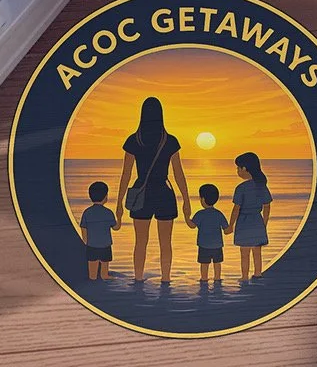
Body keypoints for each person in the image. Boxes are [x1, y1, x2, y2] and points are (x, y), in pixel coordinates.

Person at [114, 95, 191, 284]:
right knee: (166, 243)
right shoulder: (170, 140)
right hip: (164, 193)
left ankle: (138, 279)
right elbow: (179, 174)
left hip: (141, 193)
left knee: (140, 242)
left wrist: (119, 203)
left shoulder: (134, 140)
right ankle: (166, 280)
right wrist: (187, 201)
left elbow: (125, 175)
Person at [228, 153, 271, 282]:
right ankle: (258, 273)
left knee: (244, 252)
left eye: (238, 168)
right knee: (257, 251)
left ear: (245, 169)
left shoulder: (241, 188)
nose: (237, 171)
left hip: (244, 222)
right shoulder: (261, 185)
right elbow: (267, 206)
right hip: (257, 220)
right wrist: (264, 223)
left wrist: (231, 225)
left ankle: (244, 276)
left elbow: (236, 209)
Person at [79, 180, 120, 281]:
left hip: (92, 246)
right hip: (105, 245)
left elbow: (83, 228)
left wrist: (86, 242)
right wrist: (119, 217)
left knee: (92, 275)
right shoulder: (108, 213)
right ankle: (105, 276)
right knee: (105, 274)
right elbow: (115, 227)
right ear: (105, 196)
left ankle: (93, 280)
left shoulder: (87, 212)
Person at [190, 183, 227, 284]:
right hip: (217, 245)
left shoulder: (200, 214)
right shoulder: (219, 214)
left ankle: (204, 279)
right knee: (217, 263)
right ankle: (217, 279)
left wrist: (186, 216)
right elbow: (226, 229)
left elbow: (192, 225)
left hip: (204, 245)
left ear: (202, 199)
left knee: (204, 264)